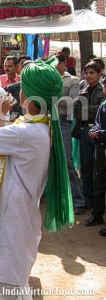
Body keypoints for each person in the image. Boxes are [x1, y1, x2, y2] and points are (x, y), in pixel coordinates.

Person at [0, 59, 74, 300]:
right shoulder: (41, 128)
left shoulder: (26, 133)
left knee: (4, 289)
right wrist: (0, 117)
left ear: (29, 96)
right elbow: (4, 138)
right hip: (13, 219)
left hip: (8, 225)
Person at [73, 61, 106, 221]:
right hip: (85, 130)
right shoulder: (82, 88)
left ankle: (98, 204)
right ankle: (88, 199)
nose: (88, 76)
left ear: (100, 73)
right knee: (85, 167)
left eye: (92, 73)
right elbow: (76, 108)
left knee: (97, 169)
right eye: (86, 73)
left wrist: (85, 108)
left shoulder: (102, 89)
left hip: (99, 132)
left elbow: (99, 109)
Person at [54, 53, 85, 214]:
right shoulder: (48, 78)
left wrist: (55, 100)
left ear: (64, 63)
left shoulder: (72, 81)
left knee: (66, 161)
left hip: (62, 122)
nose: (55, 64)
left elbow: (74, 102)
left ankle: (78, 200)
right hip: (46, 123)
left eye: (58, 62)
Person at [89, 80, 106, 237]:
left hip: (102, 142)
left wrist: (100, 134)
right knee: (99, 182)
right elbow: (97, 124)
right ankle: (97, 214)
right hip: (100, 149)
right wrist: (93, 132)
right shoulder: (103, 105)